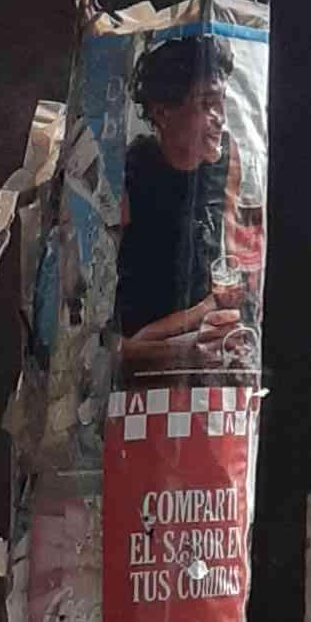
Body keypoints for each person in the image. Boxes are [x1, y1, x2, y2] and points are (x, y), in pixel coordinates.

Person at [115, 32, 258, 377]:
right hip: (146, 350)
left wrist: (215, 311)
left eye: (222, 102)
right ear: (163, 112)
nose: (220, 117)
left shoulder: (227, 158)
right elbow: (110, 343)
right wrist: (180, 344)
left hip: (205, 331)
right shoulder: (130, 172)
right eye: (207, 104)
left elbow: (231, 261)